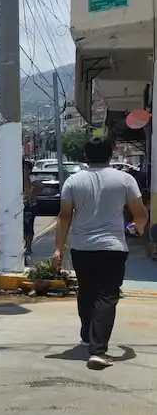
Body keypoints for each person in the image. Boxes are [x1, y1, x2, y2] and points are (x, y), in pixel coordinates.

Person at [53, 137, 148, 370]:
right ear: (111, 154)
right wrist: (137, 228)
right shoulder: (124, 179)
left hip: (82, 248)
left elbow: (64, 216)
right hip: (113, 248)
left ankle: (88, 334)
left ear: (86, 155)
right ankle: (98, 351)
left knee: (86, 291)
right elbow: (140, 213)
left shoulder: (73, 181)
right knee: (106, 297)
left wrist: (57, 249)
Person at [23, 160, 44, 255]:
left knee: (28, 226)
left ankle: (28, 246)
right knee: (23, 227)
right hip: (20, 206)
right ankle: (26, 243)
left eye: (25, 169)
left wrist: (32, 191)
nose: (23, 170)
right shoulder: (19, 178)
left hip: (30, 206)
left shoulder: (32, 178)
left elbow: (41, 186)